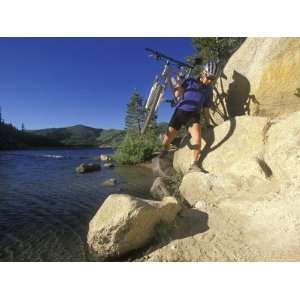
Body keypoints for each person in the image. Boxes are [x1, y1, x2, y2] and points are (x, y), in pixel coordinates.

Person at [159, 60, 218, 171]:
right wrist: (178, 84)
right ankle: (163, 152)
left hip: (194, 115)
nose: (210, 81)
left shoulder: (209, 91)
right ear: (203, 73)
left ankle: (195, 164)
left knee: (197, 136)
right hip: (180, 112)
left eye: (212, 79)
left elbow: (205, 109)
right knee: (167, 141)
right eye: (209, 77)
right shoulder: (190, 81)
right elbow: (177, 93)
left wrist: (208, 123)